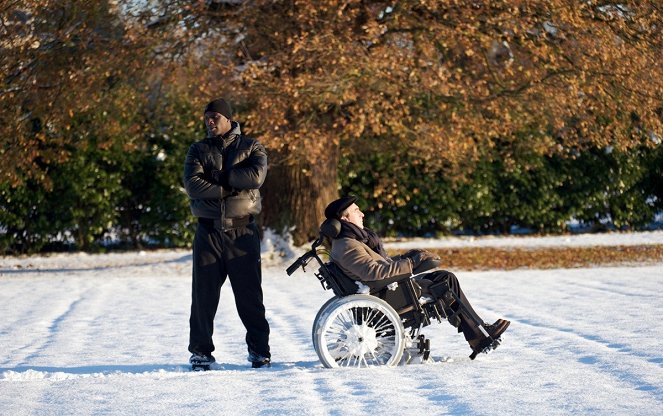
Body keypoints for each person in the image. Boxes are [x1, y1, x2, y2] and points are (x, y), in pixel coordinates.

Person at [324, 196, 510, 360]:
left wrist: (409, 257)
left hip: (388, 289)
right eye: (356, 210)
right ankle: (481, 335)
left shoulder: (352, 241)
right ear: (344, 218)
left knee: (446, 277)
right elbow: (374, 273)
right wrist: (411, 264)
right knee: (444, 286)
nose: (362, 214)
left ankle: (478, 336)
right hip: (388, 295)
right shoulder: (347, 245)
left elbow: (382, 266)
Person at [182, 98, 271, 370]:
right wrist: (229, 187)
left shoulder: (252, 146)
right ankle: (200, 352)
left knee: (249, 296)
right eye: (207, 117)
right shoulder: (198, 149)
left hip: (242, 231)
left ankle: (259, 351)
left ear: (229, 119)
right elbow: (193, 185)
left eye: (215, 117)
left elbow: (255, 177)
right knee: (203, 297)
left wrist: (218, 177)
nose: (209, 122)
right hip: (208, 233)